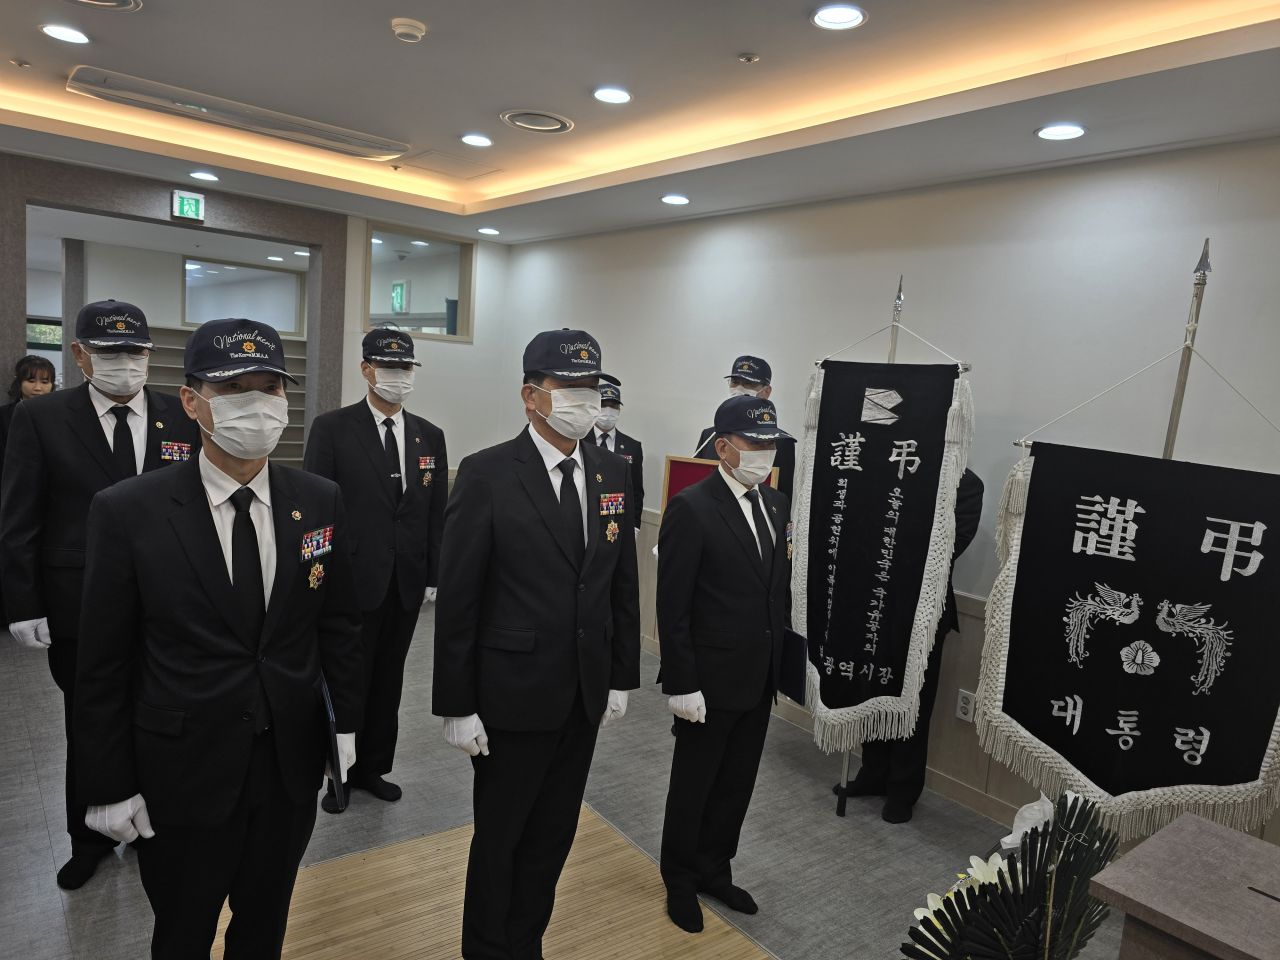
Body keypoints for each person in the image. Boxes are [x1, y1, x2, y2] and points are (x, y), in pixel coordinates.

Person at [73, 317, 363, 960]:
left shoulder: (318, 499)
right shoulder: (129, 510)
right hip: (183, 770)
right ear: (191, 400)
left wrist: (343, 727)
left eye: (270, 388)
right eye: (234, 389)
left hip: (287, 766)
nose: (256, 404)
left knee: (264, 924)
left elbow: (338, 624)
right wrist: (107, 782)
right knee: (183, 930)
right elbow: (102, 663)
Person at [433, 328, 641, 960]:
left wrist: (621, 674)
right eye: (569, 387)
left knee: (553, 834)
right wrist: (457, 704)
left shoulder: (612, 470)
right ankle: (485, 950)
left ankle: (525, 943)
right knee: (501, 837)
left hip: (582, 692)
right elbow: (459, 598)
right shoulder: (488, 473)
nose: (584, 400)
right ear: (531, 395)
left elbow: (619, 579)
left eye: (592, 387)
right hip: (511, 695)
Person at [0, 301, 199, 890]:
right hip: (78, 598)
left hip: (167, 599)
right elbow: (20, 515)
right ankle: (87, 837)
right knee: (90, 717)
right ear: (80, 355)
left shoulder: (180, 414)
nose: (124, 362)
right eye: (109, 352)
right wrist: (23, 603)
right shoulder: (42, 417)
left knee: (161, 715)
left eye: (135, 351)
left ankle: (149, 824)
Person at [658, 394, 793, 933]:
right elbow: (673, 606)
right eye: (753, 443)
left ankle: (715, 868)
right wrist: (682, 682)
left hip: (758, 675)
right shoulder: (692, 507)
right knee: (693, 785)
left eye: (770, 444)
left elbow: (774, 592)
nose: (764, 453)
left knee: (736, 783)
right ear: (722, 447)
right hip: (707, 681)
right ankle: (679, 878)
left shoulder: (775, 504)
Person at [304, 328, 447, 813]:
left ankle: (373, 768)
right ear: (366, 370)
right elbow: (317, 506)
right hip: (350, 580)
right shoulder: (333, 428)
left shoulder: (429, 436)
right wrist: (320, 576)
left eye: (406, 368)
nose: (399, 377)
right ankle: (336, 774)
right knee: (346, 678)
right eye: (389, 368)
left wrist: (433, 574)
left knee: (388, 680)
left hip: (404, 581)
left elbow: (434, 512)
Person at [834, 468, 985, 823]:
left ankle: (903, 789)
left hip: (923, 612)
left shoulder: (964, 484)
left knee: (915, 701)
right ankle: (873, 773)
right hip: (876, 606)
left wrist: (890, 540)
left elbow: (949, 546)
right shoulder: (892, 468)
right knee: (873, 692)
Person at [0, 355, 57, 624]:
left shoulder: (58, 416)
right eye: (31, 380)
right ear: (19, 382)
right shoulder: (4, 417)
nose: (38, 388)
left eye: (45, 382)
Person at [693, 355, 795, 498]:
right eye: (735, 382)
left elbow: (782, 495)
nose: (739, 389)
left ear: (766, 391)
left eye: (749, 383)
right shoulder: (709, 435)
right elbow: (695, 478)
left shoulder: (782, 442)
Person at [590, 379, 644, 528]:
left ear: (619, 409)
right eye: (603, 405)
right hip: (585, 515)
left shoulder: (633, 447)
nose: (608, 410)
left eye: (613, 406)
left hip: (617, 519)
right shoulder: (578, 440)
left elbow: (636, 492)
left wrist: (635, 526)